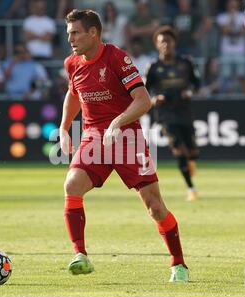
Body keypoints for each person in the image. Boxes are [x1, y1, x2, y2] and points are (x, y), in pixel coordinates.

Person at [60, 9, 188, 282]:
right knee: (71, 185)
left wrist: (117, 123)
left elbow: (143, 100)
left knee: (154, 206)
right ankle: (80, 255)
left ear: (93, 32)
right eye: (69, 33)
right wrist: (63, 127)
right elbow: (73, 94)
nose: (70, 38)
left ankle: (178, 264)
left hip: (126, 137)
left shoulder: (117, 58)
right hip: (94, 136)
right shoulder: (72, 63)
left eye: (75, 32)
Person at [145, 25, 200, 201]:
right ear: (157, 45)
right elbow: (145, 91)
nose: (166, 45)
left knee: (192, 151)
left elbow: (196, 84)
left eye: (168, 41)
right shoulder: (153, 67)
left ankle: (190, 161)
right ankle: (191, 188)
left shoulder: (186, 63)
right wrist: (154, 99)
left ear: (175, 42)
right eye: (162, 42)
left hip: (184, 110)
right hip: (166, 114)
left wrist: (190, 92)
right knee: (179, 149)